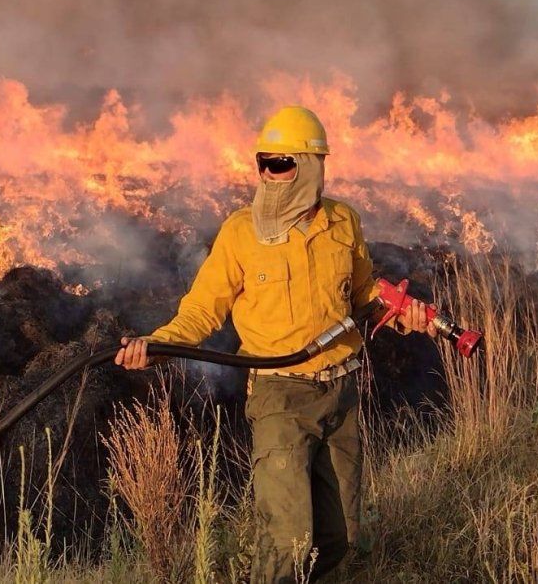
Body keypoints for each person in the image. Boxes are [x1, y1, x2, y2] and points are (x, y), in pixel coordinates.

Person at [115, 105, 435, 582]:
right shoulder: (241, 232)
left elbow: (364, 294)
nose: (270, 174)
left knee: (340, 537)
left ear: (311, 167)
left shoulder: (343, 222)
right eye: (264, 162)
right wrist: (158, 344)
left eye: (283, 164)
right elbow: (203, 309)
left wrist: (405, 316)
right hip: (279, 394)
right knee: (289, 538)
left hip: (342, 393)